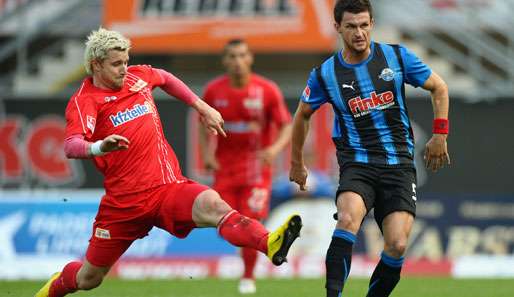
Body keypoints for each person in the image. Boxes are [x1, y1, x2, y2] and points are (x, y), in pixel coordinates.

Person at [34, 28, 302, 297]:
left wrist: (201, 106)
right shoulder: (85, 101)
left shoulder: (137, 76)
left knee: (214, 205)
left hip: (167, 189)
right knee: (89, 278)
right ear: (96, 64)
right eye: (117, 64)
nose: (124, 69)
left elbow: (165, 78)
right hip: (125, 204)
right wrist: (99, 146)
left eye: (126, 61)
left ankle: (269, 243)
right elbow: (71, 145)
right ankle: (51, 290)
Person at [288, 1, 450, 297]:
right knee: (348, 219)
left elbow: (439, 87)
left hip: (399, 164)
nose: (359, 33)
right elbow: (302, 115)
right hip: (357, 163)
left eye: (364, 25)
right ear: (337, 27)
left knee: (398, 244)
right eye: (351, 26)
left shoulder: (396, 57)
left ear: (372, 23)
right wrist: (297, 162)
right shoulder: (326, 74)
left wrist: (440, 134)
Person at [199, 39, 293, 294]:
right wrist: (208, 152)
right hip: (225, 170)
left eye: (242, 55)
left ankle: (248, 278)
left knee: (250, 219)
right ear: (225, 61)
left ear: (250, 58)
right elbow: (202, 121)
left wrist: (274, 149)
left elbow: (287, 124)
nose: (238, 61)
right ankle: (270, 240)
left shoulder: (267, 90)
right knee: (223, 223)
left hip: (255, 169)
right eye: (232, 56)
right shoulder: (213, 91)